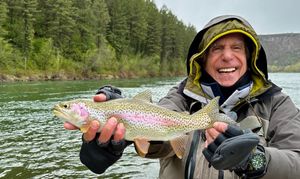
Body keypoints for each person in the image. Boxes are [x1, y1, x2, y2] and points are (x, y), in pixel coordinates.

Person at [64, 15, 300, 179]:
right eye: (217, 49)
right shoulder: (179, 98)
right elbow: (160, 141)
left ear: (250, 58)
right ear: (202, 58)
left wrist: (254, 161)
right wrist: (119, 141)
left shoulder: (277, 104)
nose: (227, 56)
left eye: (237, 48)